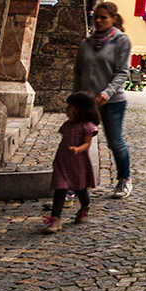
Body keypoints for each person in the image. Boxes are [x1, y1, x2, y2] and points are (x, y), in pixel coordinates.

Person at [76, 1, 133, 198]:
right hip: (87, 102)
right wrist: (76, 98)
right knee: (77, 141)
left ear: (113, 19)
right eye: (96, 17)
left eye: (103, 17)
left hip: (112, 101)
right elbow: (79, 72)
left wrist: (107, 93)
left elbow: (122, 72)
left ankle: (124, 180)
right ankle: (73, 185)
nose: (98, 21)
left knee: (114, 141)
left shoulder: (121, 41)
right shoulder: (86, 43)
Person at [45, 92, 99, 233]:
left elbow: (87, 144)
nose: (66, 109)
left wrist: (77, 149)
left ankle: (85, 207)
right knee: (60, 189)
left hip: (78, 163)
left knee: (80, 188)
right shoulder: (67, 125)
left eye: (70, 107)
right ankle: (55, 219)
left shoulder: (87, 126)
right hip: (63, 162)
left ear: (80, 109)